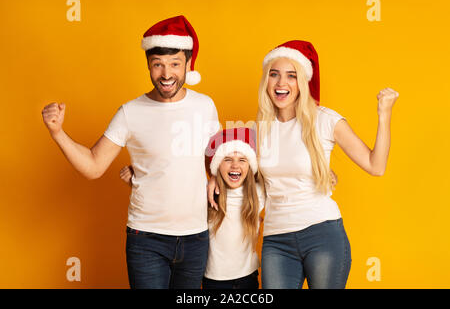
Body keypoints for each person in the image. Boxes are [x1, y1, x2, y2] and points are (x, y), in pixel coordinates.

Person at [41, 15, 219, 289]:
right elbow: (93, 166)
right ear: (148, 65)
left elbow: (216, 157)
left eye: (175, 64)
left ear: (188, 64)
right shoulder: (130, 112)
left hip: (196, 237)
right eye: (158, 65)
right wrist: (57, 133)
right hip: (146, 238)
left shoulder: (204, 106)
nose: (167, 74)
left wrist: (216, 176)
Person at [208, 40, 399, 289]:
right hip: (277, 241)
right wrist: (211, 176)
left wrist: (384, 115)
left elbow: (376, 166)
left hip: (323, 233)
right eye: (274, 75)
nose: (281, 83)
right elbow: (223, 155)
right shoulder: (258, 130)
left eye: (291, 76)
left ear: (303, 83)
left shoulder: (325, 121)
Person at [120, 127, 265, 289]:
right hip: (213, 280)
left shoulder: (257, 194)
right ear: (217, 165)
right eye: (228, 159)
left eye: (242, 160)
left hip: (248, 277)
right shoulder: (206, 193)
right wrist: (135, 180)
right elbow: (170, 194)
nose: (235, 165)